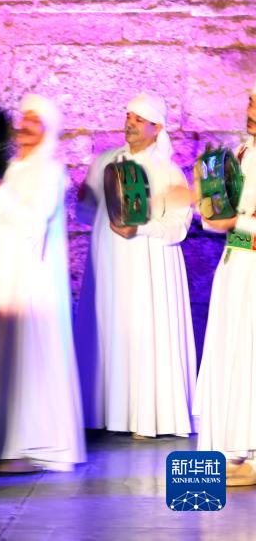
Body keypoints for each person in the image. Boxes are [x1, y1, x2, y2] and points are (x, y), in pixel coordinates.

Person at [0, 94, 85, 472]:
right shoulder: (11, 169)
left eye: (35, 119)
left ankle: (38, 447)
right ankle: (3, 445)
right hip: (2, 275)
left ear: (48, 129)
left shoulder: (51, 171)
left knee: (30, 357)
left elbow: (33, 221)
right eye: (25, 118)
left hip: (32, 279)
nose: (26, 125)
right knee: (2, 356)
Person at [75, 92, 195, 440]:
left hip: (147, 266)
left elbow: (178, 226)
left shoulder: (168, 171)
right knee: (108, 328)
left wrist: (140, 229)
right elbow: (87, 212)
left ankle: (147, 417)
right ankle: (103, 412)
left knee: (143, 331)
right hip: (109, 265)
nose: (130, 123)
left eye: (139, 119)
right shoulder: (106, 162)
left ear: (157, 128)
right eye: (128, 116)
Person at [194, 84, 256, 486]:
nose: (251, 108)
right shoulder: (241, 153)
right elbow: (218, 217)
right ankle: (236, 447)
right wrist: (209, 209)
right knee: (233, 351)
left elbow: (240, 221)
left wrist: (236, 222)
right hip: (235, 268)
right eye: (250, 100)